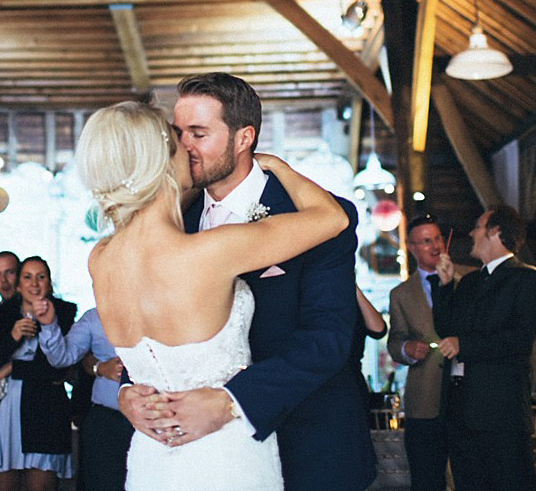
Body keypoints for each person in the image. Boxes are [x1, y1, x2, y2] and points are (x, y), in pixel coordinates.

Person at [77, 97, 353, 490]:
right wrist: (277, 165)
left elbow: (151, 357)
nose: (187, 148)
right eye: (177, 139)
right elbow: (332, 218)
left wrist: (127, 396)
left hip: (154, 454)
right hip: (226, 459)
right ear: (161, 162)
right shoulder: (210, 251)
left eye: (197, 134)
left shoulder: (100, 258)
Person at [433, 205, 536, 491]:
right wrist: (445, 286)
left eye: (478, 226)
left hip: (499, 408)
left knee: (510, 482)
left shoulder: (527, 278)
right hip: (460, 405)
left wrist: (464, 344)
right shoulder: (470, 281)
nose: (471, 233)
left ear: (495, 231)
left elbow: (519, 338)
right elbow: (446, 329)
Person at [0, 256, 77, 491]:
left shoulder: (65, 312)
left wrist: (10, 368)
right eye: (27, 277)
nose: (35, 284)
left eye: (41, 277)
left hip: (46, 411)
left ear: (49, 283)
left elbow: (56, 369)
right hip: (4, 411)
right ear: (19, 285)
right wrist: (12, 337)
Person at [38, 306, 133, 491]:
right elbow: (63, 357)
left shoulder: (160, 311)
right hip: (107, 421)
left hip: (154, 417)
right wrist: (49, 325)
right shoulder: (93, 318)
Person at [388, 214, 451, 491]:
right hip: (424, 400)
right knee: (426, 478)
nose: (435, 246)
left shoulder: (470, 278)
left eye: (437, 238)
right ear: (412, 248)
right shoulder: (401, 294)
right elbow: (394, 341)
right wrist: (406, 349)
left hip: (465, 397)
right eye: (426, 241)